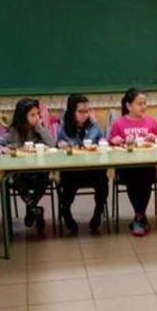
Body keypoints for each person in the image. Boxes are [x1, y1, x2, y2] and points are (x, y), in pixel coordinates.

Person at [0, 98, 55, 233]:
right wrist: (1, 149)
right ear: (23, 117)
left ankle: (31, 208)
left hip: (38, 170)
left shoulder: (39, 129)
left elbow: (52, 143)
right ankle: (35, 209)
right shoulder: (14, 132)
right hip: (20, 172)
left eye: (38, 114)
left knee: (44, 177)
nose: (37, 117)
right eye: (33, 115)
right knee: (16, 178)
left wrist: (39, 127)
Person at [108, 88, 157, 236]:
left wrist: (154, 138)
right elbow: (110, 142)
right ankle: (140, 216)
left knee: (146, 176)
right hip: (127, 167)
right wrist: (116, 141)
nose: (143, 106)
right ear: (128, 106)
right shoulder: (119, 123)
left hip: (146, 164)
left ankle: (139, 216)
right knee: (132, 176)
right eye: (139, 103)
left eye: (145, 103)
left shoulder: (151, 121)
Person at [57, 94, 108, 234]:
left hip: (92, 170)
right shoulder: (64, 128)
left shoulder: (93, 126)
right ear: (72, 112)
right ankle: (66, 212)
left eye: (87, 111)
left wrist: (103, 140)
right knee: (67, 184)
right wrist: (61, 145)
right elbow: (59, 144)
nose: (85, 115)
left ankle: (98, 213)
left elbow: (101, 140)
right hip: (72, 172)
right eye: (80, 112)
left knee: (103, 181)